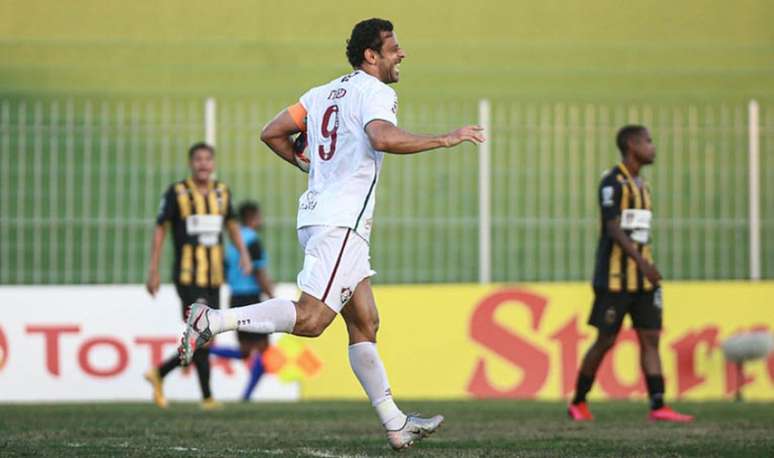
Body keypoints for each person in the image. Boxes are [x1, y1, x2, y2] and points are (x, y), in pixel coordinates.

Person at [177, 18, 484, 450]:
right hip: (340, 222)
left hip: (325, 218)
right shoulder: (376, 91)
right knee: (313, 319)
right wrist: (444, 139)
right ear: (371, 56)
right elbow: (381, 137)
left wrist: (307, 165)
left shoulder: (321, 93)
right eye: (394, 47)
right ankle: (212, 320)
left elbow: (272, 132)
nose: (402, 54)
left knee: (365, 322)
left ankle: (395, 424)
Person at [567, 125, 693, 423]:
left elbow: (639, 232)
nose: (653, 147)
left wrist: (646, 265)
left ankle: (659, 405)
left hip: (644, 281)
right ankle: (578, 401)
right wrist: (643, 264)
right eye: (648, 141)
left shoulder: (643, 185)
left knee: (650, 338)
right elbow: (613, 229)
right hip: (615, 279)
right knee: (606, 340)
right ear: (632, 145)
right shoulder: (613, 182)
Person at [143, 142, 251, 410]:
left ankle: (165, 376)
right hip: (188, 276)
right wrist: (153, 270)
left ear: (213, 164)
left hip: (214, 277)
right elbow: (160, 230)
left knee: (203, 335)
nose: (203, 164)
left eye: (207, 159)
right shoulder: (177, 193)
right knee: (202, 331)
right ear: (191, 164)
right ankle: (204, 395)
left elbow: (232, 225)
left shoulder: (222, 193)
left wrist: (243, 253)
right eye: (198, 159)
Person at [209, 201, 275, 401]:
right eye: (259, 216)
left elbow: (224, 271)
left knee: (246, 352)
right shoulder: (252, 240)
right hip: (251, 297)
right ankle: (246, 396)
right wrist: (271, 294)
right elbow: (258, 271)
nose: (261, 220)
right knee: (264, 350)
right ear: (252, 217)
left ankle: (206, 350)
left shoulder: (232, 243)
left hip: (235, 296)